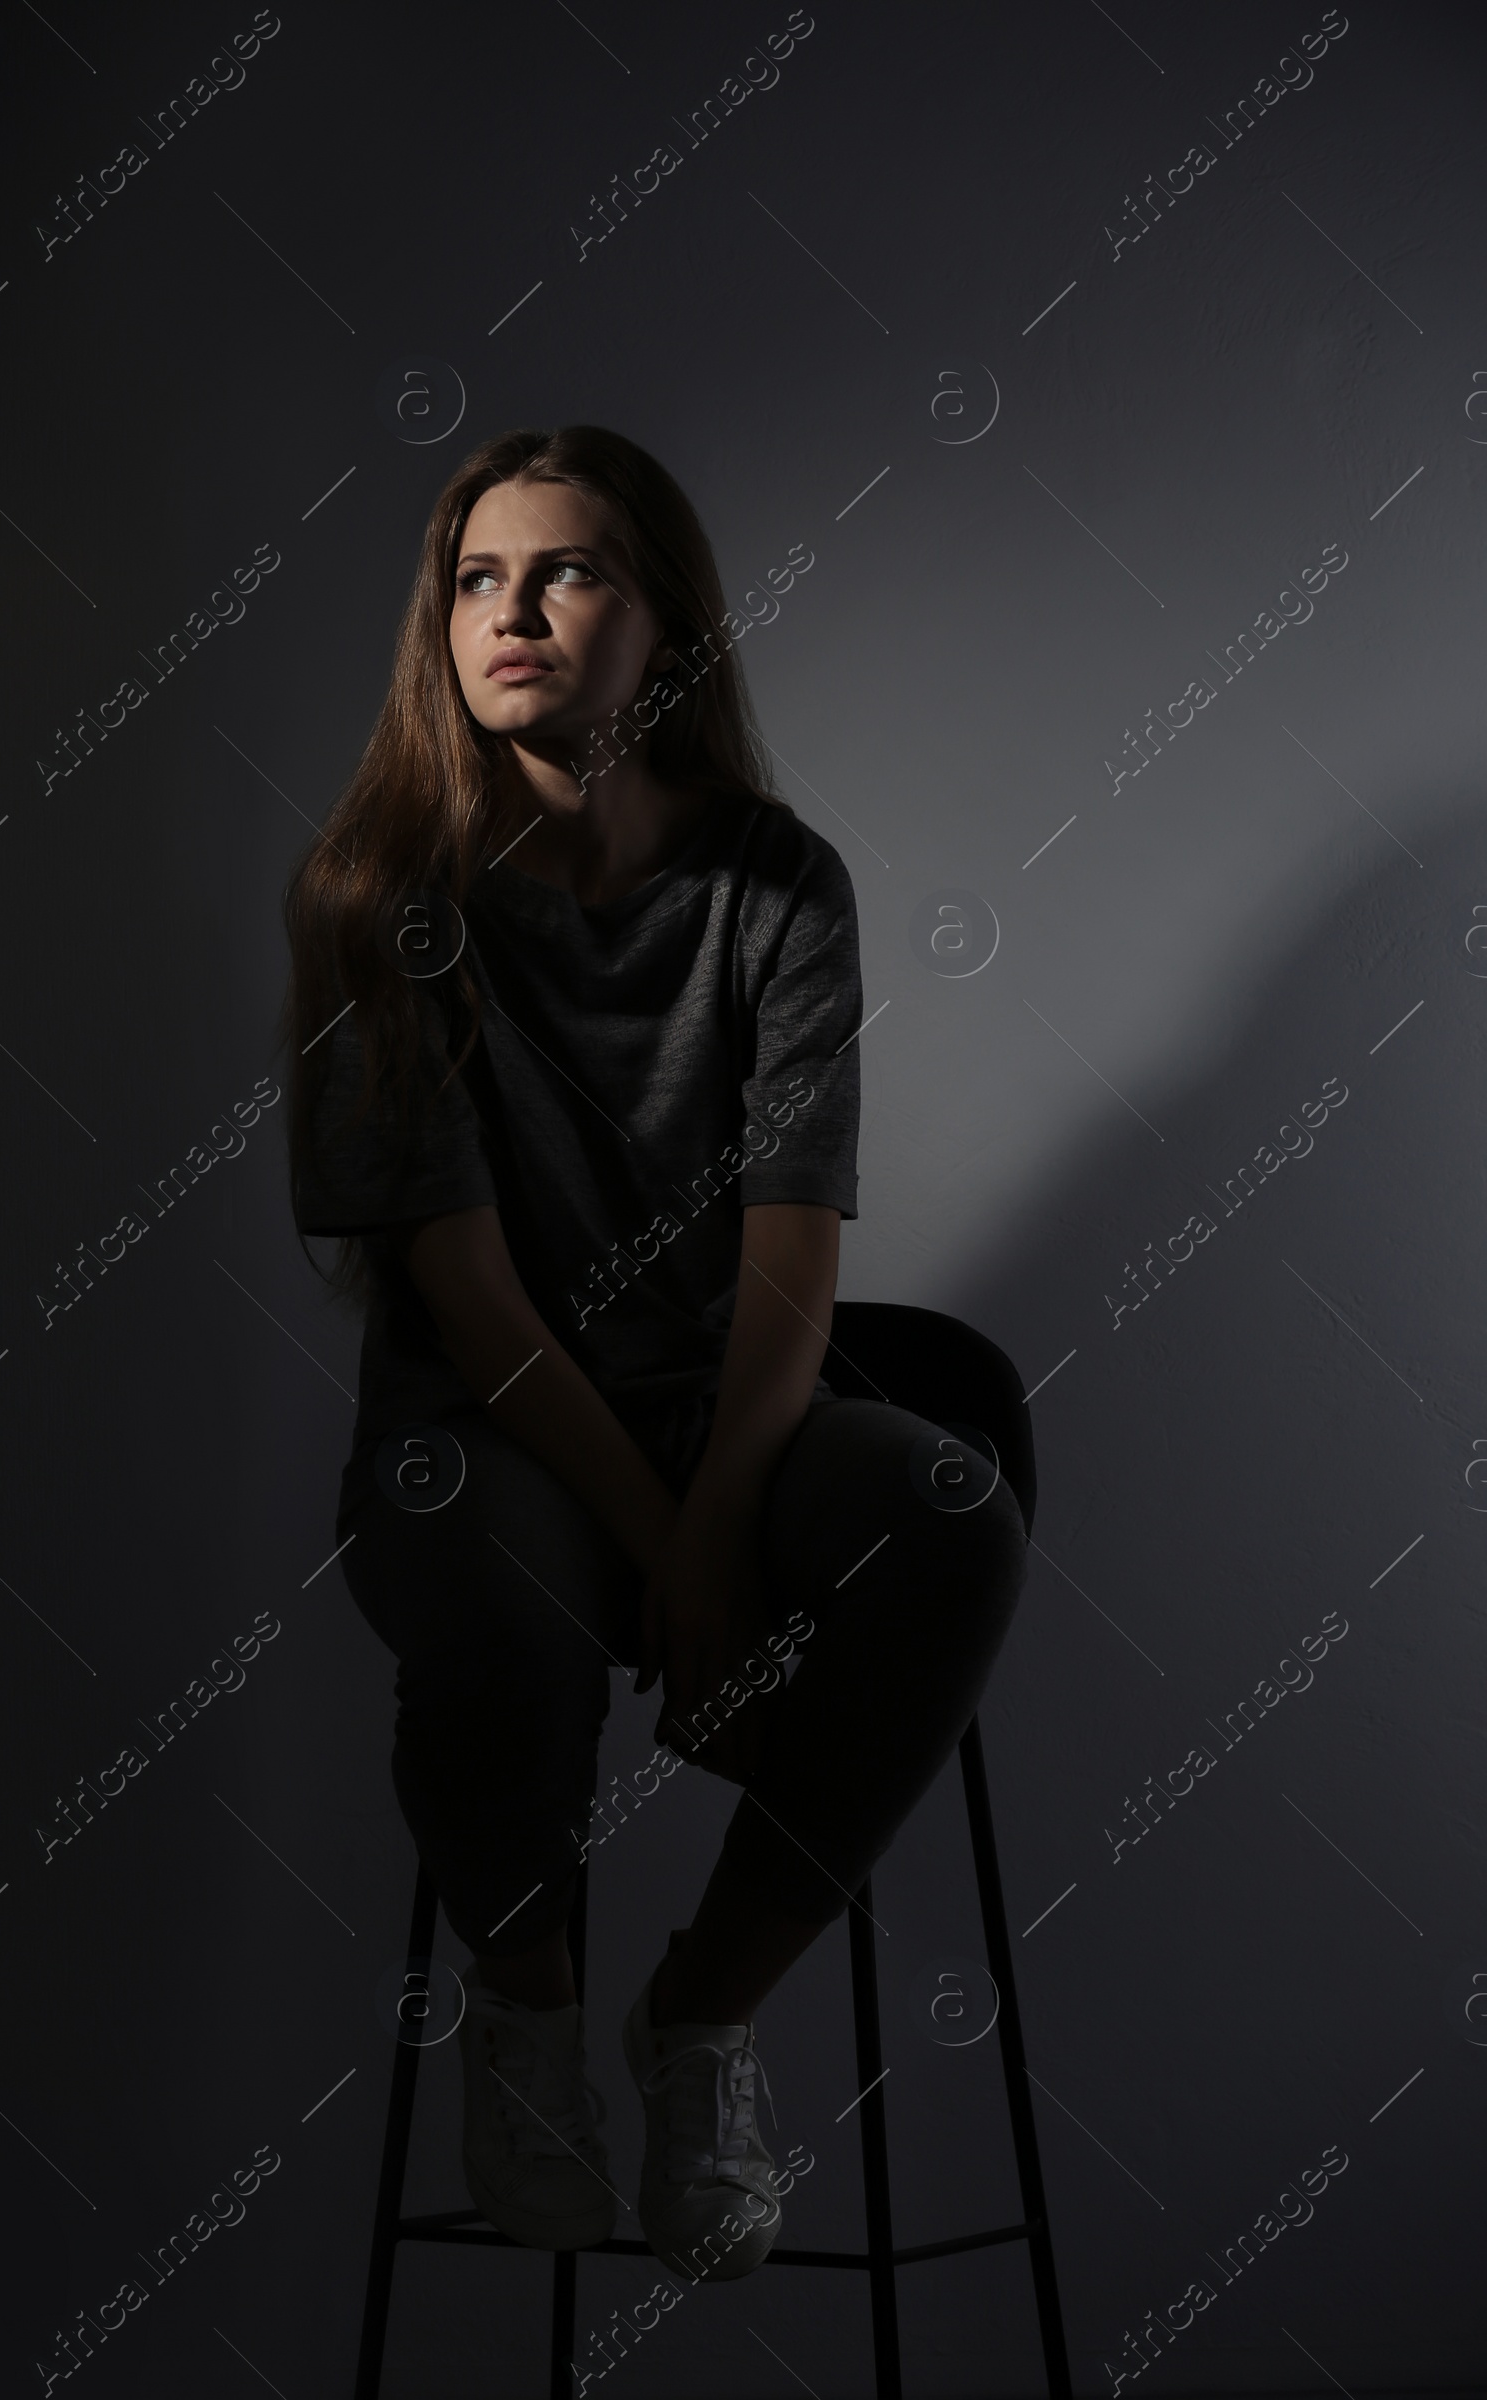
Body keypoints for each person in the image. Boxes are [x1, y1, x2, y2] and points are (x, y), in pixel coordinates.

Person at [280, 424, 1030, 2283]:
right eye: (476, 578)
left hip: (731, 1415)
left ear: (667, 621)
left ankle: (698, 2021)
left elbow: (795, 1257)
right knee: (499, 1590)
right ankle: (527, 2033)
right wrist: (673, 1544)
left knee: (947, 1514)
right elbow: (467, 1298)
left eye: (568, 572)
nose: (512, 612)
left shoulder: (779, 885)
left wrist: (723, 1511)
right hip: (486, 1427)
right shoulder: (377, 899)